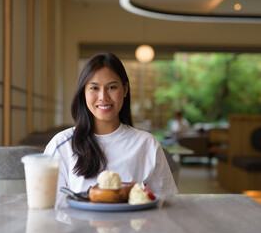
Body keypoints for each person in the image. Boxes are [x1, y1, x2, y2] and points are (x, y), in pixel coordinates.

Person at [44, 53, 177, 208]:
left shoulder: (147, 144)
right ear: (84, 92)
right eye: (94, 88)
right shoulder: (62, 144)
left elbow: (163, 205)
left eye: (112, 87)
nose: (103, 97)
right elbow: (52, 207)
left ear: (125, 89)